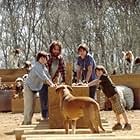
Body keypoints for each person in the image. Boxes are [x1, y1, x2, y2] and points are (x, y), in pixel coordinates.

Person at [88, 65, 132, 130]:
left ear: (103, 71)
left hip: (114, 95)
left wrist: (87, 84)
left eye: (100, 71)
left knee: (121, 109)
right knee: (116, 110)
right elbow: (99, 86)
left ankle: (127, 124)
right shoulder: (102, 80)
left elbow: (96, 81)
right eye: (97, 72)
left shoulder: (104, 76)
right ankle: (119, 124)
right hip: (111, 96)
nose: (98, 73)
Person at [22, 51, 55, 125]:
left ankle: (26, 122)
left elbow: (48, 77)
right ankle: (26, 123)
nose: (43, 59)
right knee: (29, 107)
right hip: (29, 87)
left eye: (45, 58)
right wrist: (51, 84)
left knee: (32, 107)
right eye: (41, 58)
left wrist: (53, 84)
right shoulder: (37, 66)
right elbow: (44, 77)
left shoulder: (44, 67)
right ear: (38, 59)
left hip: (35, 88)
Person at [39, 40, 65, 120]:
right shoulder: (47, 57)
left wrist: (64, 80)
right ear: (51, 49)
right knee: (44, 98)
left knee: (53, 99)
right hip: (43, 81)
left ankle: (52, 115)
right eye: (55, 49)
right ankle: (45, 116)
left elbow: (63, 70)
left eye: (58, 49)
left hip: (53, 82)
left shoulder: (60, 59)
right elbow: (44, 70)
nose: (56, 51)